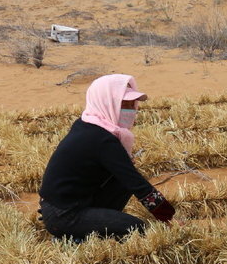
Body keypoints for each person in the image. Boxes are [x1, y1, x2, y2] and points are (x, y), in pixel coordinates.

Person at [38, 74, 175, 243]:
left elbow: (128, 178)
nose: (131, 109)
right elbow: (137, 184)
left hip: (68, 204)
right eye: (124, 104)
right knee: (137, 229)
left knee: (123, 177)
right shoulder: (100, 139)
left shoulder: (88, 124)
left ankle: (95, 223)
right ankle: (72, 239)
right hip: (65, 215)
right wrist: (168, 216)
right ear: (107, 102)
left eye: (133, 104)